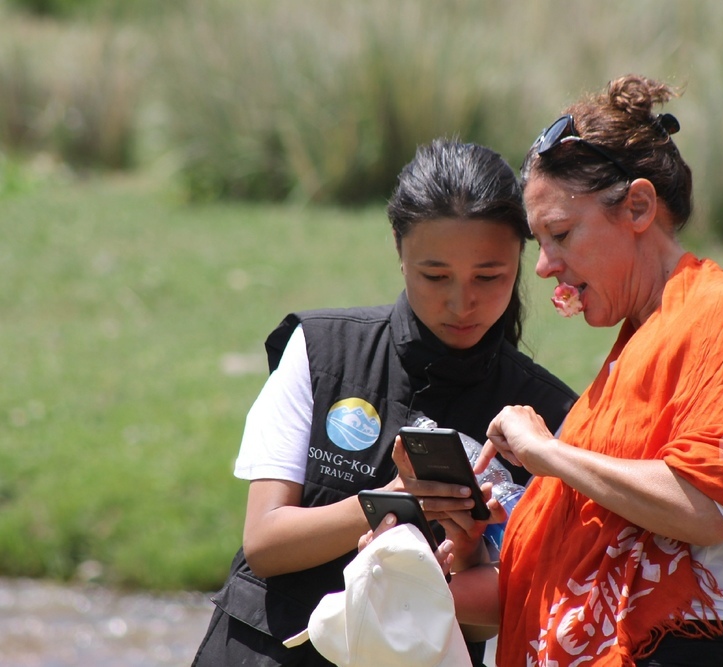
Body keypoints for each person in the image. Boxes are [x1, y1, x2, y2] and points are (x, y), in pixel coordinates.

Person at [395, 75, 723, 667]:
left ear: (637, 207)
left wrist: (546, 453)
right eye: (540, 242)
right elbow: (553, 589)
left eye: (560, 234)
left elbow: (705, 508)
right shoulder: (627, 358)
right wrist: (443, 561)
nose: (545, 266)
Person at [192, 139, 578, 667]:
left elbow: (507, 609)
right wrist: (394, 500)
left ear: (521, 259)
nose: (461, 302)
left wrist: (465, 556)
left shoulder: (548, 419)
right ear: (400, 251)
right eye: (435, 276)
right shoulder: (321, 349)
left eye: (489, 277)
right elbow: (265, 543)